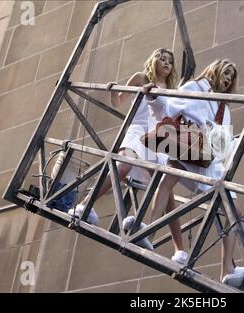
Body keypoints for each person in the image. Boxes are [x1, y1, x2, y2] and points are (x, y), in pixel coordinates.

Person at [143, 59, 244, 288]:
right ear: (215, 69)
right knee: (167, 180)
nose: (228, 78)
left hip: (208, 159)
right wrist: (154, 97)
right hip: (187, 142)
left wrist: (238, 144)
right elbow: (169, 107)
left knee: (234, 212)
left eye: (232, 76)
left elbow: (223, 142)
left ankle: (227, 269)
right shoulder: (195, 87)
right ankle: (147, 232)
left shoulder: (225, 107)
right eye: (226, 72)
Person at [68, 49, 179, 249]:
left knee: (165, 185)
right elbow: (119, 100)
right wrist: (113, 90)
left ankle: (168, 243)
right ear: (153, 61)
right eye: (162, 59)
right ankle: (84, 205)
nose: (166, 63)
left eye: (170, 61)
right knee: (124, 166)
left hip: (157, 139)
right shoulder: (141, 78)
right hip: (138, 131)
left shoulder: (172, 90)